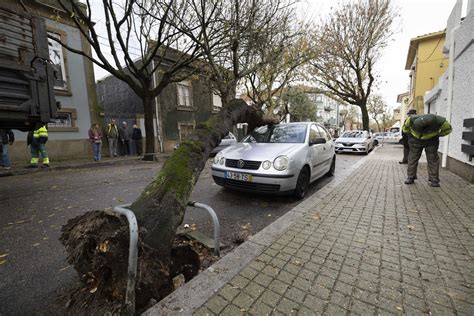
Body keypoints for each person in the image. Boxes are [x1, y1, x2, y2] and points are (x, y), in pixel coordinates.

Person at [402, 113, 452, 187]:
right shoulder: (411, 119)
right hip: (415, 140)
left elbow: (448, 129)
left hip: (431, 141)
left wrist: (437, 134)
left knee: (432, 159)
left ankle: (434, 179)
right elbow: (405, 129)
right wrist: (411, 136)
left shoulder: (440, 121)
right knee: (412, 158)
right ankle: (411, 177)